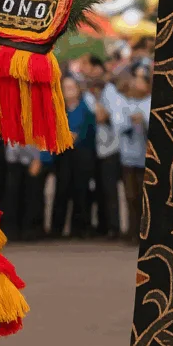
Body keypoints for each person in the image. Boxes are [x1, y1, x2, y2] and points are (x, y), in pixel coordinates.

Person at [50, 75, 96, 238]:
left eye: (72, 87)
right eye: (66, 88)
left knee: (81, 190)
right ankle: (57, 228)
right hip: (63, 155)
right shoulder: (58, 108)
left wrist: (72, 137)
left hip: (82, 154)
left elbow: (87, 132)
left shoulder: (85, 108)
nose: (69, 91)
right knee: (61, 190)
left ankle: (81, 227)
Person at [114, 64, 152, 242]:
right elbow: (118, 124)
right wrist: (130, 122)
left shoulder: (149, 101)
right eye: (135, 80)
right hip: (128, 157)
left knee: (145, 198)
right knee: (130, 195)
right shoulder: (124, 102)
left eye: (140, 80)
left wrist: (143, 120)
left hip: (146, 157)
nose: (136, 84)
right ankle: (132, 230)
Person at [0, 143, 48, 241]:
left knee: (32, 195)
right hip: (12, 158)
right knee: (11, 196)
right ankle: (11, 230)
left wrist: (41, 158)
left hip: (34, 158)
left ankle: (30, 230)